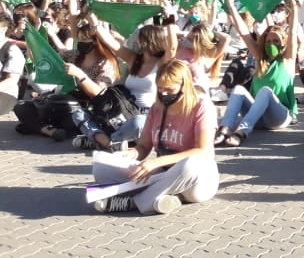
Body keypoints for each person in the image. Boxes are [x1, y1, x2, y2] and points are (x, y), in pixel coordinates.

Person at [91, 60, 219, 215]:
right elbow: (144, 147)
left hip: (197, 178)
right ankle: (167, 197)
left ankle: (133, 202)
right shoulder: (156, 108)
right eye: (160, 88)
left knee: (189, 166)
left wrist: (157, 162)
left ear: (184, 86)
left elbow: (203, 151)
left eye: (169, 89)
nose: (164, 93)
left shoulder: (202, 107)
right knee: (101, 169)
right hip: (162, 173)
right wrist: (129, 155)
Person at [214, 0, 299, 146]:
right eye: (268, 41)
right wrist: (231, 6)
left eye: (276, 41)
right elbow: (243, 32)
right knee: (239, 89)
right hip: (258, 117)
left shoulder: (287, 60)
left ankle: (241, 132)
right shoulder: (261, 59)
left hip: (279, 117)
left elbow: (292, 33)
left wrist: (294, 9)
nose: (271, 44)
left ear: (283, 43)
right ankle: (225, 129)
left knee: (265, 91)